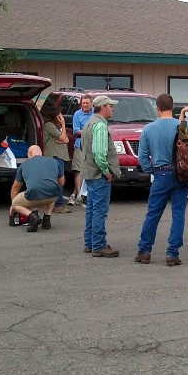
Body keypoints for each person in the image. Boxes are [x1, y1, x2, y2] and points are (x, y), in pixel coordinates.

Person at [136, 94, 188, 266]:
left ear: (157, 107)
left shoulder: (149, 129)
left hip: (160, 174)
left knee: (153, 213)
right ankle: (172, 253)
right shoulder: (183, 126)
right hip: (181, 175)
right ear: (173, 107)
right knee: (178, 214)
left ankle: (144, 251)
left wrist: (152, 169)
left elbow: (142, 157)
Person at [80, 95, 121, 257]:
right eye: (111, 106)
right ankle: (98, 245)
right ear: (103, 107)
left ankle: (90, 243)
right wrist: (106, 171)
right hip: (98, 174)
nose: (113, 108)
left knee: (91, 208)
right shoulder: (100, 126)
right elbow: (99, 152)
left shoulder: (89, 122)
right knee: (99, 210)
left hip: (89, 172)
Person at [10, 145, 64, 232]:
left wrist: (13, 205)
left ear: (30, 153)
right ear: (41, 153)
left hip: (33, 194)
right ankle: (46, 220)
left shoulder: (24, 165)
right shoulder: (53, 161)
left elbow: (15, 188)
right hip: (52, 196)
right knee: (52, 188)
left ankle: (33, 217)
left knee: (15, 203)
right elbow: (61, 182)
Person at [41, 104, 71, 214]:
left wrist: (62, 137)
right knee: (59, 180)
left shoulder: (55, 126)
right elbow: (63, 137)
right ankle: (58, 204)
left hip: (60, 155)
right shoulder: (49, 125)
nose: (61, 116)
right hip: (54, 155)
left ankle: (54, 203)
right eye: (59, 113)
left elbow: (66, 140)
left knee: (58, 180)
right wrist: (63, 124)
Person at [68, 94, 94, 206]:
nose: (85, 105)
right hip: (80, 144)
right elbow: (76, 131)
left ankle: (77, 194)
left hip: (92, 146)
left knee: (89, 170)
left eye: (87, 103)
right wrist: (88, 131)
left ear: (91, 104)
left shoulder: (95, 113)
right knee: (78, 170)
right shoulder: (77, 114)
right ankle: (78, 196)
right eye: (83, 103)